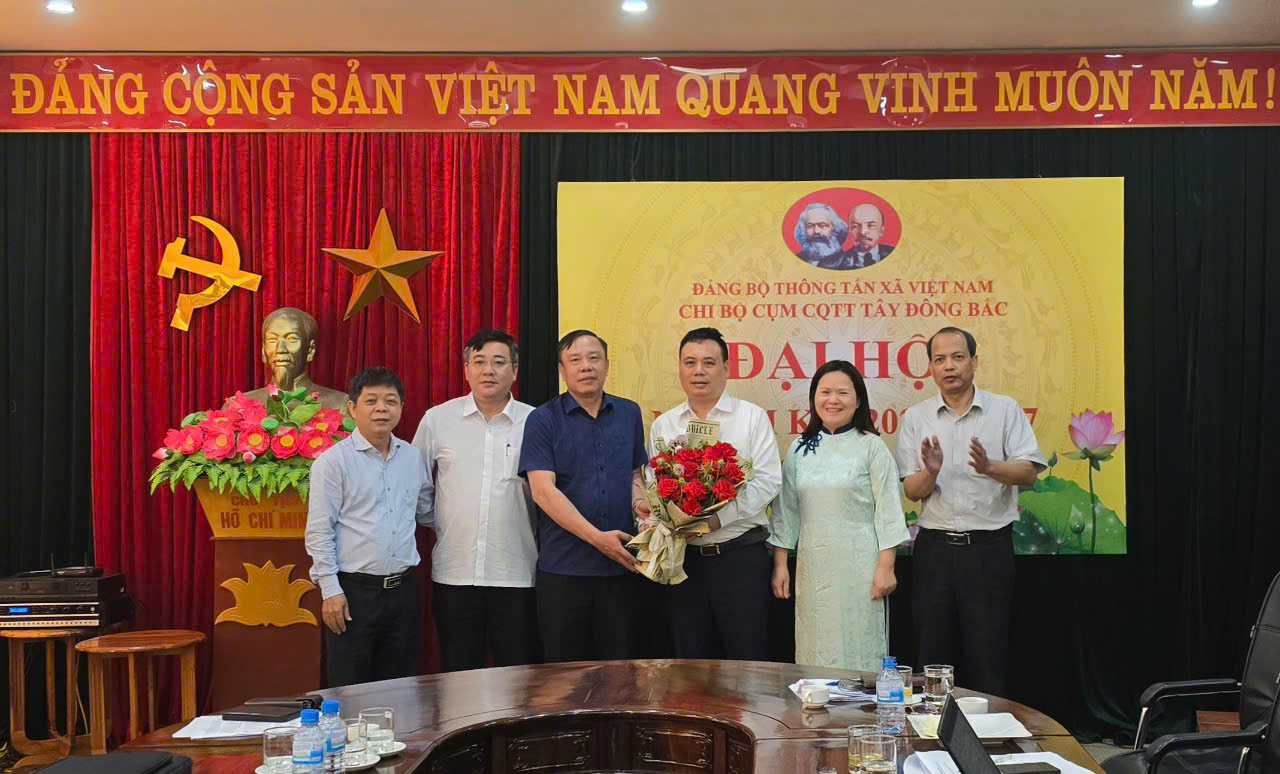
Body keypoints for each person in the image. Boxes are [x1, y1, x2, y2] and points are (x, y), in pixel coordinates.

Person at [896, 327, 1045, 696]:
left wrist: (990, 466)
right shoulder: (917, 417)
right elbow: (912, 491)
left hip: (988, 550)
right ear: (931, 368)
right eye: (940, 359)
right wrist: (931, 472)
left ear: (974, 362)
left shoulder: (1004, 410)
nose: (949, 366)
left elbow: (1028, 472)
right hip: (935, 551)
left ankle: (988, 728)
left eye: (958, 357)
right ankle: (931, 727)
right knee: (931, 652)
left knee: (988, 653)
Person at [648, 327, 781, 659]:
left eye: (708, 362)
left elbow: (767, 482)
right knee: (690, 664)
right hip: (685, 563)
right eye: (690, 362)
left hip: (739, 558)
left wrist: (719, 519)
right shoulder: (665, 424)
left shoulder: (752, 418)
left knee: (747, 661)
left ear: (726, 368)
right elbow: (656, 484)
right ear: (680, 368)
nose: (699, 371)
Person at [768, 360, 910, 671]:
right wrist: (780, 564)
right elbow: (786, 511)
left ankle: (862, 702)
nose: (833, 400)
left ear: (858, 400)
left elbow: (888, 511)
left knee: (860, 643)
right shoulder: (799, 449)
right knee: (816, 643)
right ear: (813, 398)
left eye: (843, 393)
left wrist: (886, 568)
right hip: (813, 566)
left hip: (862, 567)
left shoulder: (872, 447)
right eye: (825, 392)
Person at [412, 329, 538, 671]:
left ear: (515, 370)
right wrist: (443, 521)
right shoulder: (438, 419)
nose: (488, 371)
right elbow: (416, 484)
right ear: (466, 369)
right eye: (479, 362)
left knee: (517, 674)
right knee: (459, 672)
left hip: (516, 571)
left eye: (499, 362)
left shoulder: (535, 421)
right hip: (455, 571)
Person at [519, 330, 648, 662]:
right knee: (565, 677)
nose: (586, 366)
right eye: (575, 360)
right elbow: (543, 491)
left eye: (594, 358)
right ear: (562, 371)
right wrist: (598, 539)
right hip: (564, 571)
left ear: (607, 365)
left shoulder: (629, 413)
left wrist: (641, 504)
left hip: (622, 569)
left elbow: (635, 475)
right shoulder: (542, 420)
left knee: (620, 672)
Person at [304, 366, 430, 687]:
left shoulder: (412, 458)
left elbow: (426, 511)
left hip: (403, 592)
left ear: (401, 407)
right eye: (371, 401)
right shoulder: (333, 462)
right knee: (351, 688)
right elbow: (319, 532)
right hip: (353, 594)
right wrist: (330, 591)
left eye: (390, 401)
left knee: (401, 687)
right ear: (352, 408)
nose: (381, 409)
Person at [241, 307, 350, 413]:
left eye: (292, 339)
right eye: (272, 339)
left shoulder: (339, 404)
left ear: (310, 350)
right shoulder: (239, 406)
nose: (280, 349)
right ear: (263, 351)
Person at [837, 203, 895, 270]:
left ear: (881, 230)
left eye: (870, 225)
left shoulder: (897, 255)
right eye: (855, 226)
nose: (862, 232)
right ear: (849, 230)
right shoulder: (838, 263)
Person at [793, 203, 850, 269]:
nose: (816, 231)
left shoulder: (847, 262)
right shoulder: (797, 259)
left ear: (835, 229)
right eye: (810, 226)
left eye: (822, 225)